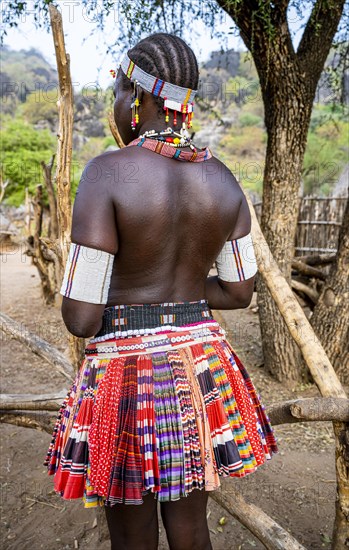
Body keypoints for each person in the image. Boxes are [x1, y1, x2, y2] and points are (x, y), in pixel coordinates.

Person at [44, 33, 278, 550]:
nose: (116, 105)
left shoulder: (107, 173)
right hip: (199, 372)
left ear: (142, 98)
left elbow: (81, 318)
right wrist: (185, 290)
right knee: (191, 529)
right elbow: (240, 292)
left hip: (126, 379)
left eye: (119, 92)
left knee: (132, 537)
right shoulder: (223, 181)